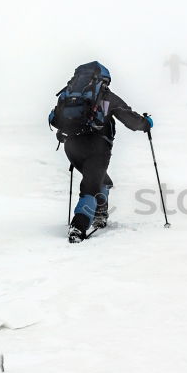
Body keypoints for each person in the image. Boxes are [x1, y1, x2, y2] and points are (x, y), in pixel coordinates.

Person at [49, 62, 153, 243]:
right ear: (104, 79)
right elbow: (130, 119)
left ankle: (100, 213)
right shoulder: (105, 95)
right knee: (91, 185)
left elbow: (54, 118)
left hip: (72, 147)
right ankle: (78, 226)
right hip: (97, 148)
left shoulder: (70, 93)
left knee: (102, 180)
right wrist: (146, 123)